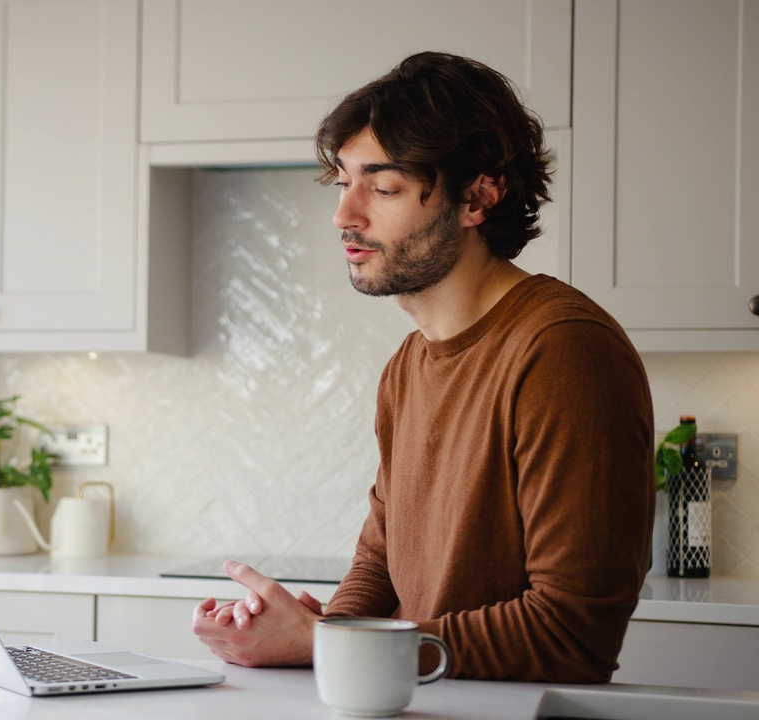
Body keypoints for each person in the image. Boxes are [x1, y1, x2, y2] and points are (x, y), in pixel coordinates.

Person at [191, 51, 655, 683]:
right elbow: (382, 562)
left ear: (477, 197)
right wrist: (319, 634)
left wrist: (326, 645)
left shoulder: (563, 351)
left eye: (383, 188)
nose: (344, 215)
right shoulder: (408, 365)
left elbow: (571, 632)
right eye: (344, 182)